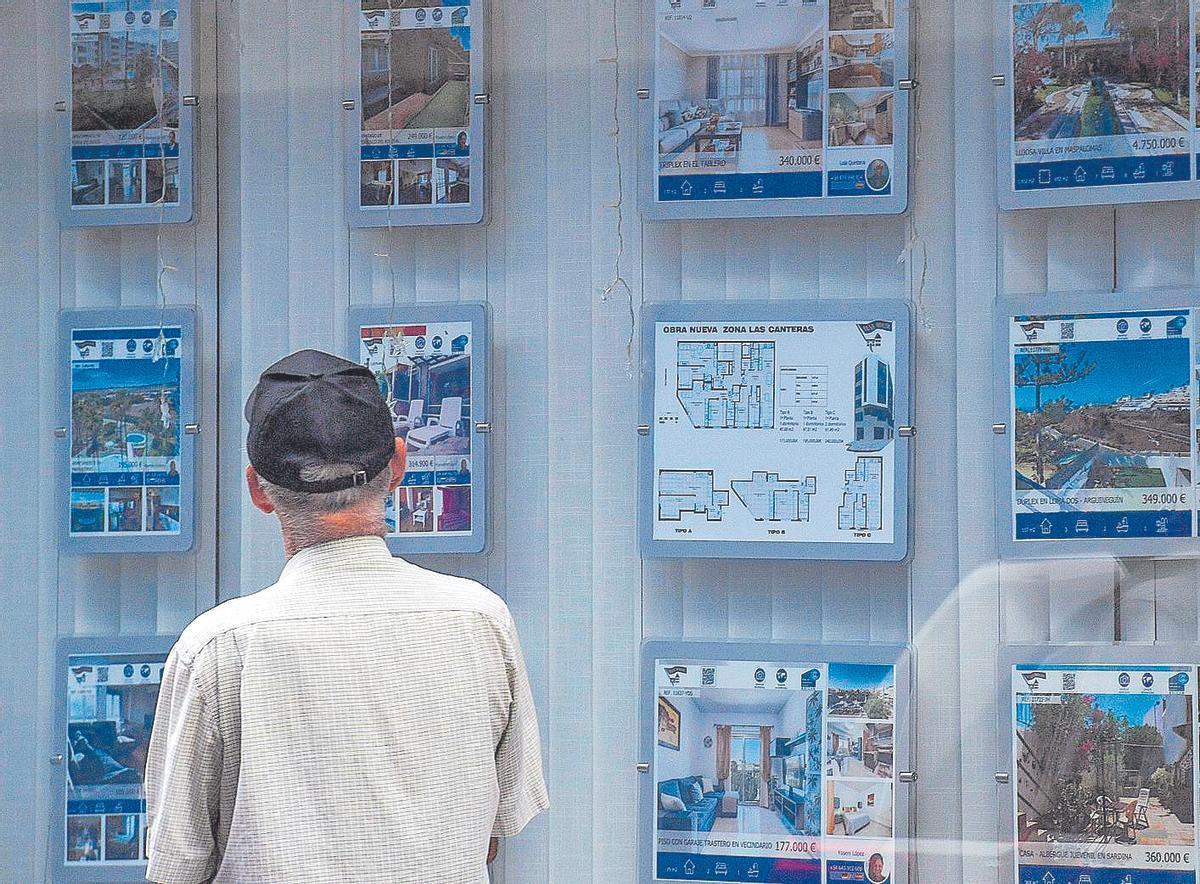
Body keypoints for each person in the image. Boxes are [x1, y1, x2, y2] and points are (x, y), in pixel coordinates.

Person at [144, 350, 547, 883]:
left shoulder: (217, 648)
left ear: (258, 490)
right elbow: (494, 829)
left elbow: (177, 865)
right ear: (399, 464)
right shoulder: (479, 620)